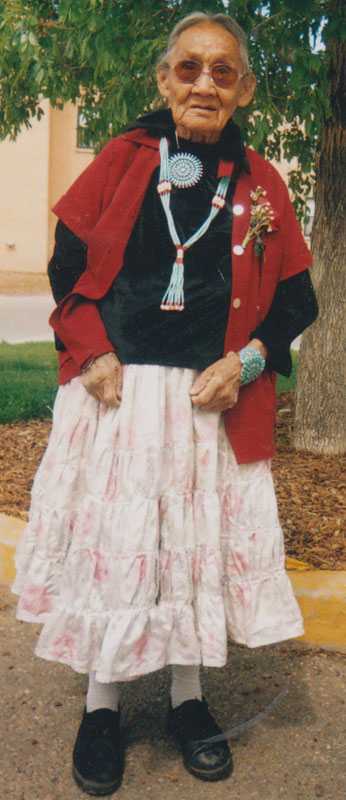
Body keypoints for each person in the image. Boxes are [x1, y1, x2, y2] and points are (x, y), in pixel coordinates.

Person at [12, 11, 318, 796]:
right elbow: (66, 267)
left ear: (244, 88)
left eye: (223, 71)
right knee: (119, 548)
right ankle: (101, 706)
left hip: (210, 401)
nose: (205, 84)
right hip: (119, 394)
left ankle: (188, 701)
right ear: (163, 78)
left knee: (193, 551)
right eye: (190, 68)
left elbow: (296, 301)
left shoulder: (261, 179)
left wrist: (247, 363)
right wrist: (91, 352)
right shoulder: (122, 158)